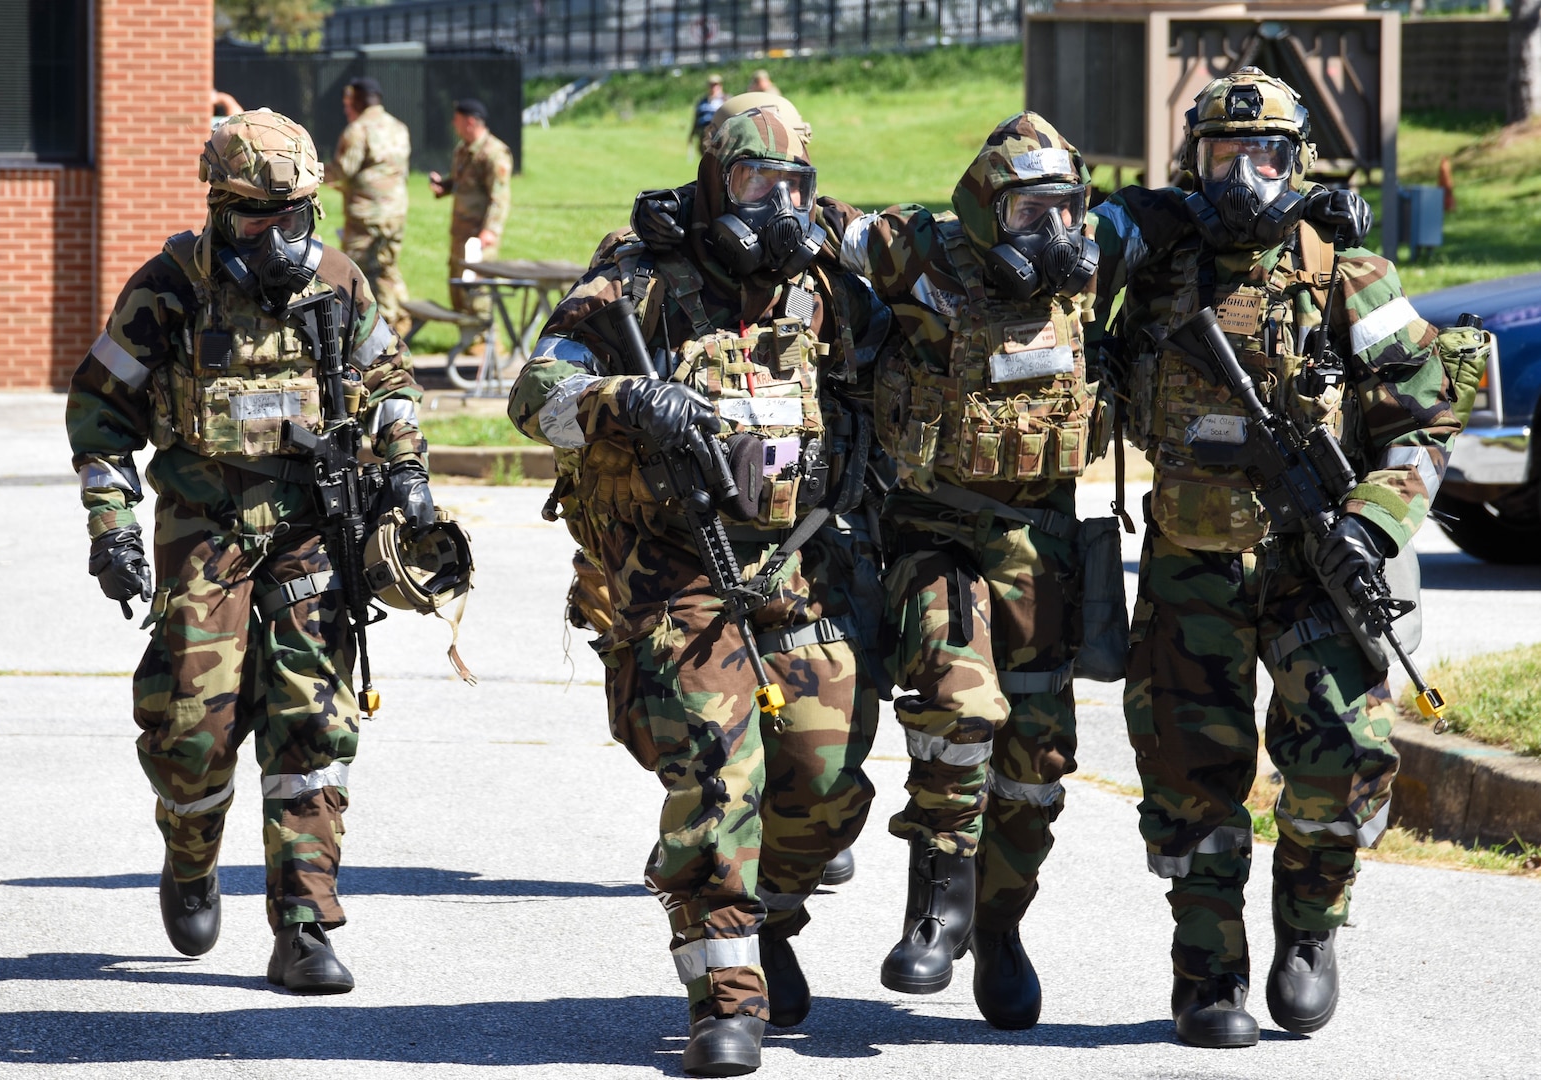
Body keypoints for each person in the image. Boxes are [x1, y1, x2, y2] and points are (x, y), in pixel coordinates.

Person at [510, 106, 886, 1076]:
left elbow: (877, 379)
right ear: (717, 182)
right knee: (721, 777)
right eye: (758, 184)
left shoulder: (814, 293)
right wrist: (622, 398)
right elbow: (533, 392)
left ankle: (772, 915)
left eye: (794, 186)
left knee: (825, 776)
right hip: (673, 575)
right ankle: (725, 998)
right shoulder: (637, 283)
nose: (778, 207)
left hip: (793, 568)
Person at [1089, 68, 1458, 1047]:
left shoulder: (1348, 273)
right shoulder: (1159, 274)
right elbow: (1074, 351)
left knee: (1346, 757)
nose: (1245, 177)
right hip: (1187, 569)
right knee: (1187, 782)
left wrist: (1372, 523)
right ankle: (1206, 974)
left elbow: (1430, 412)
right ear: (1193, 164)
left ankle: (1309, 928)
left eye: (1266, 157)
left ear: (1295, 165)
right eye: (1223, 156)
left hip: (1312, 568)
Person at [66, 108, 434, 994]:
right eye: (258, 217)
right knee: (193, 726)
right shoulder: (169, 289)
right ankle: (191, 855)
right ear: (220, 208)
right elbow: (99, 415)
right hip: (205, 533)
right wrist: (111, 524)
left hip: (313, 530)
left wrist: (409, 474)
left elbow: (389, 386)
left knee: (313, 723)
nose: (281, 236)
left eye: (297, 215)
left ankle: (304, 925)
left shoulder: (339, 284)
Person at [829, 112, 1103, 1028]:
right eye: (1028, 210)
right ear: (986, 208)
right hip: (934, 535)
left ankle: (1000, 924)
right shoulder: (919, 256)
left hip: (1044, 550)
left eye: (1063, 210)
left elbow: (1195, 238)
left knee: (1036, 765)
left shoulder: (1096, 271)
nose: (1049, 233)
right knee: (958, 701)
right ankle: (934, 910)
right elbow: (808, 223)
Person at [328, 76, 412, 337]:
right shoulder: (399, 127)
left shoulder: (358, 130)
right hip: (395, 212)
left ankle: (385, 327)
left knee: (358, 274)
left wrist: (315, 174)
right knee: (387, 264)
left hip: (365, 216)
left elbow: (343, 170)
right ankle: (402, 314)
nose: (345, 108)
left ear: (357, 101)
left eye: (348, 102)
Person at [429, 98, 513, 331]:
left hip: (478, 237)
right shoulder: (463, 150)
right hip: (460, 234)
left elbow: (500, 197)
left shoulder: (494, 154)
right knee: (458, 290)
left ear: (470, 122)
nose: (453, 125)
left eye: (456, 120)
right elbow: (461, 182)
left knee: (478, 291)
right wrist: (443, 186)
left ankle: (487, 348)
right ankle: (467, 345)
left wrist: (490, 231)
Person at [690, 74, 726, 153]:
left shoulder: (726, 100)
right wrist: (691, 135)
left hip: (720, 137)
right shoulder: (702, 101)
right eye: (711, 85)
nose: (713, 88)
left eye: (716, 85)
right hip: (703, 137)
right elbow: (696, 119)